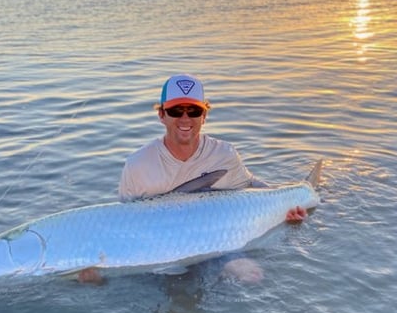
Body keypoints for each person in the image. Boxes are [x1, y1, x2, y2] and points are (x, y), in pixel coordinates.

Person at [118, 73, 307, 224]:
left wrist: (285, 205)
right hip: (161, 245)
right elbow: (124, 221)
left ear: (204, 116)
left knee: (248, 273)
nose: (185, 118)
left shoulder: (224, 154)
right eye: (176, 111)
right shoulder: (137, 165)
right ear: (161, 115)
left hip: (215, 238)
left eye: (194, 111)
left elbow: (249, 185)